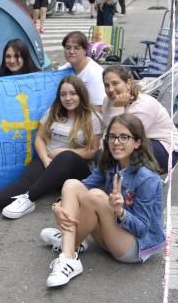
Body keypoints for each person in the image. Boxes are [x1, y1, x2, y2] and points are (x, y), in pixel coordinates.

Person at [41, 114, 165, 288]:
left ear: (137, 142)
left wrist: (120, 212)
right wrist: (57, 206)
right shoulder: (109, 164)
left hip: (133, 247)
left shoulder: (147, 179)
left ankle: (68, 251)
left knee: (96, 196)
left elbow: (143, 229)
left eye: (124, 137)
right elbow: (81, 188)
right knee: (71, 184)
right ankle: (70, 247)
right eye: (112, 137)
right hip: (110, 235)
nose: (116, 142)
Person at [0, 76, 101, 220]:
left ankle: (28, 199)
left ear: (81, 94)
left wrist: (65, 151)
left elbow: (93, 151)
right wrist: (45, 159)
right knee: (25, 181)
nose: (68, 98)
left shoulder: (92, 117)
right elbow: (39, 138)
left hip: (76, 169)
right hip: (50, 160)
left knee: (66, 157)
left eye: (73, 93)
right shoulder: (54, 111)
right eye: (63, 94)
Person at [101, 65, 178, 172]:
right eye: (106, 85)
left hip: (164, 148)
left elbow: (122, 136)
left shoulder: (143, 105)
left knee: (124, 150)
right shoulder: (107, 101)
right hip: (138, 141)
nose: (110, 89)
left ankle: (134, 184)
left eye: (115, 83)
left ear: (129, 83)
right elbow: (107, 133)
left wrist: (117, 108)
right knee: (108, 152)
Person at [58, 31, 105, 108]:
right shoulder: (62, 70)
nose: (71, 51)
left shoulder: (96, 73)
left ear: (85, 50)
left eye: (76, 48)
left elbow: (98, 107)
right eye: (67, 48)